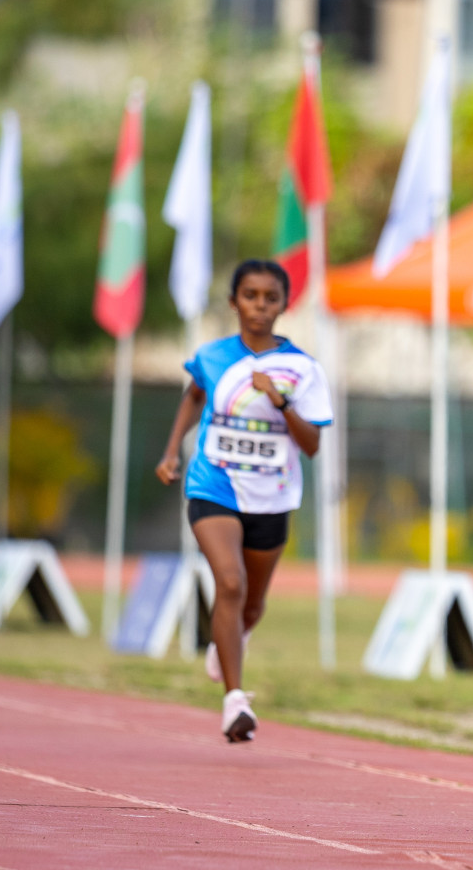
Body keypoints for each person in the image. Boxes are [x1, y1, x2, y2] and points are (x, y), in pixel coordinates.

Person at [155, 259, 333, 742]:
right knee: (228, 584)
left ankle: (230, 638)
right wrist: (172, 451)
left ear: (284, 305)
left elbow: (312, 445)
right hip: (213, 485)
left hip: (272, 498)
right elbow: (194, 395)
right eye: (250, 296)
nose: (259, 305)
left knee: (251, 605)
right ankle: (235, 701)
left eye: (270, 297)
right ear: (234, 302)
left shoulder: (302, 368)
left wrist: (279, 400)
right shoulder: (213, 356)